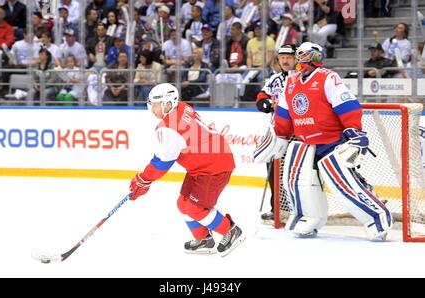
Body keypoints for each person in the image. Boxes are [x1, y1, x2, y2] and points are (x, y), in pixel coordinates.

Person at [267, 42, 393, 241]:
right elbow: (284, 113)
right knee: (298, 184)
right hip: (306, 145)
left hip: (331, 143)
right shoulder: (291, 82)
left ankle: (377, 219)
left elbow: (347, 104)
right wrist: (279, 135)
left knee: (343, 187)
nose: (301, 59)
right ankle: (307, 219)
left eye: (305, 54)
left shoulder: (328, 77)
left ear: (316, 56)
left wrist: (353, 130)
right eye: (299, 55)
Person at [128, 83, 245, 256]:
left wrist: (144, 178)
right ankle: (204, 239)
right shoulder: (182, 107)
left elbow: (162, 162)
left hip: (213, 167)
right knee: (183, 203)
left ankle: (231, 231)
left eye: (154, 104)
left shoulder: (168, 128)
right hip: (204, 165)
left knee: (193, 208)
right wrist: (145, 178)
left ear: (167, 104)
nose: (151, 108)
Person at [254, 44, 297, 225]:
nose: (285, 60)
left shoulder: (303, 78)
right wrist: (266, 104)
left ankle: (298, 209)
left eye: (289, 57)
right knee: (274, 172)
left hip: (298, 134)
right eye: (282, 57)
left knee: (295, 173)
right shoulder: (275, 79)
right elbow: (261, 97)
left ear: (296, 58)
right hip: (278, 134)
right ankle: (278, 209)